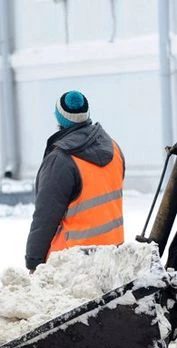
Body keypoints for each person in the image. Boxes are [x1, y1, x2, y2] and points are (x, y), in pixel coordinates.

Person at [25, 90, 125, 272]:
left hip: (73, 262)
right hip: (114, 255)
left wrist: (33, 261)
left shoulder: (61, 160)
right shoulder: (114, 147)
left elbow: (45, 217)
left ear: (59, 118)